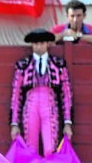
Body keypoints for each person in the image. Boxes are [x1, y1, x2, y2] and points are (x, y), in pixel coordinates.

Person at [10, 28, 73, 156]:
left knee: (51, 149)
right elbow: (16, 96)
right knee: (30, 149)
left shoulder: (59, 64)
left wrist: (68, 122)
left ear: (47, 44)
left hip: (50, 108)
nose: (38, 46)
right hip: (30, 108)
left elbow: (66, 95)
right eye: (35, 43)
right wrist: (14, 123)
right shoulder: (22, 65)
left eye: (42, 43)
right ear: (32, 44)